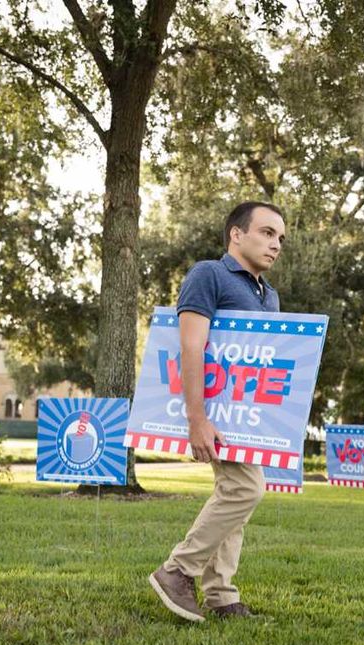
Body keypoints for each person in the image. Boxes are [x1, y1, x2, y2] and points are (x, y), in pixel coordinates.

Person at [148, 201, 286, 622]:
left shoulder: (270, 296)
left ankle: (222, 595)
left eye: (280, 238)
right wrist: (197, 418)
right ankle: (177, 570)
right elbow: (191, 346)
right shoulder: (209, 274)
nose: (276, 244)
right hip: (214, 411)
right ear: (237, 234)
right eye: (266, 232)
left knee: (235, 498)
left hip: (249, 416)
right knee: (245, 491)